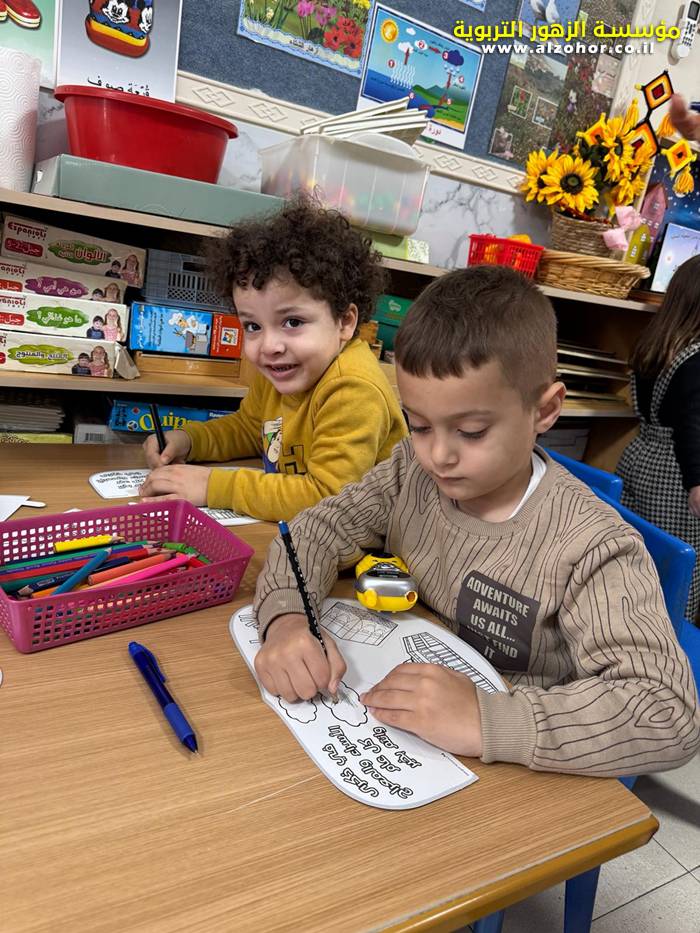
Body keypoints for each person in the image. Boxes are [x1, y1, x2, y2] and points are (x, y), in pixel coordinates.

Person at [252, 266, 699, 777]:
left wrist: (489, 719)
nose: (438, 456)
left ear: (545, 410)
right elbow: (314, 531)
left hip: (514, 769)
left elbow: (668, 713)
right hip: (403, 723)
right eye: (419, 425)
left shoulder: (591, 546)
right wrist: (287, 619)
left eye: (470, 431)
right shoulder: (409, 470)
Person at [139, 197, 408, 521]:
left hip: (372, 538)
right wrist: (189, 440)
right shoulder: (282, 370)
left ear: (344, 322)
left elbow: (329, 497)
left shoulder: (353, 389)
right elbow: (250, 429)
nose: (269, 346)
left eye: (292, 322)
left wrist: (212, 485)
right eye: (253, 326)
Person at [616, 255, 700, 619]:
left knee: (637, 553)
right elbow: (692, 424)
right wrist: (697, 483)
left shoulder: (656, 346)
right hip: (675, 476)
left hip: (641, 456)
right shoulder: (696, 358)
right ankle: (666, 631)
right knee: (678, 566)